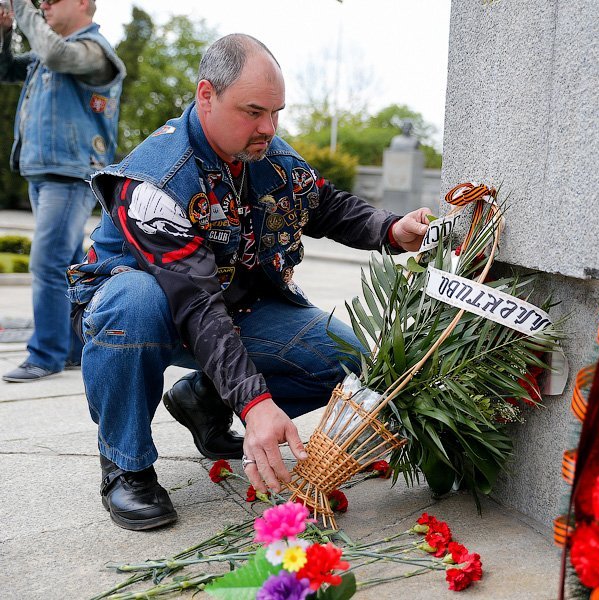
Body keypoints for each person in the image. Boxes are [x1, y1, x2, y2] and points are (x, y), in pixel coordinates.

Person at [66, 33, 431, 531]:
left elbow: (324, 204)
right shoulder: (154, 183)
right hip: (144, 312)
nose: (269, 128)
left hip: (233, 308)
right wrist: (257, 404)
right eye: (254, 111)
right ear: (206, 95)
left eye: (276, 112)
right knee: (134, 300)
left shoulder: (268, 155)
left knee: (348, 361)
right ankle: (125, 466)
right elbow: (194, 305)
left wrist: (390, 229)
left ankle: (203, 400)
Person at [0, 0, 125, 382]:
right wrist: (6, 32)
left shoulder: (95, 52)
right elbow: (5, 70)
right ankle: (72, 350)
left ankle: (45, 355)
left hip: (71, 174)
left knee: (48, 262)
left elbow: (55, 53)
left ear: (84, 3)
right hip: (43, 172)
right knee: (70, 268)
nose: (45, 4)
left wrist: (20, 7)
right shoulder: (47, 55)